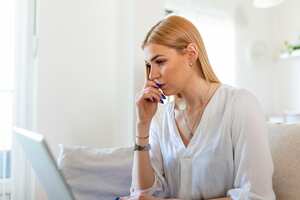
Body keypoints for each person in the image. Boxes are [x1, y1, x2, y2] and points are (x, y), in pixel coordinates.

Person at [120, 15, 275, 200]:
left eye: (160, 61)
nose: (152, 75)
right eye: (148, 65)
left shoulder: (240, 104)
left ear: (191, 54)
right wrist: (142, 125)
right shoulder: (161, 119)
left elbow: (256, 196)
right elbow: (142, 194)